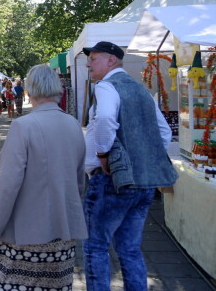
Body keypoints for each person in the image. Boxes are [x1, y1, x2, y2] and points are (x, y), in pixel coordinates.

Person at [82, 41, 177, 291]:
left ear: (111, 60)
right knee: (130, 248)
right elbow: (164, 132)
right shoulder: (141, 90)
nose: (88, 63)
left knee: (96, 247)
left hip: (112, 181)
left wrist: (103, 153)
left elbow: (104, 119)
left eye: (94, 58)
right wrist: (143, 158)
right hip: (143, 184)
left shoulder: (107, 86)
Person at [0, 64, 87, 291]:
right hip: (62, 231)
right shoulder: (73, 125)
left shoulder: (23, 126)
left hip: (26, 233)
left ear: (30, 91)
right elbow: (79, 179)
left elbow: (8, 184)